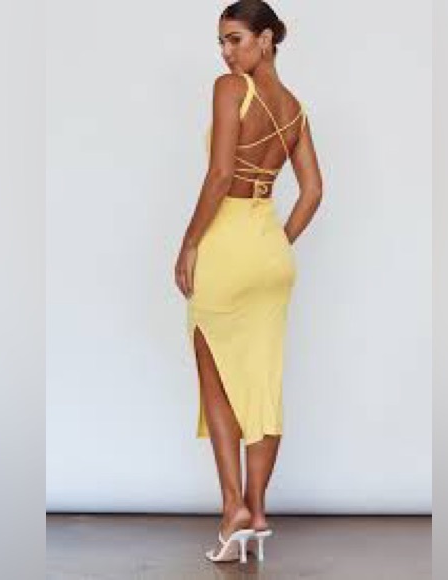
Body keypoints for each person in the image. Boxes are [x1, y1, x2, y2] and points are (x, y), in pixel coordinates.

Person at [174, 0, 323, 564]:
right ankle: (258, 515)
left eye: (235, 39)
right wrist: (277, 243)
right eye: (221, 42)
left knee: (216, 379)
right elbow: (313, 191)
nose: (226, 52)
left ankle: (233, 509)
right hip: (269, 250)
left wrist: (190, 242)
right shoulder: (296, 109)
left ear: (266, 39)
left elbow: (219, 174)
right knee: (262, 383)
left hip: (227, 244)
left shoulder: (230, 89)